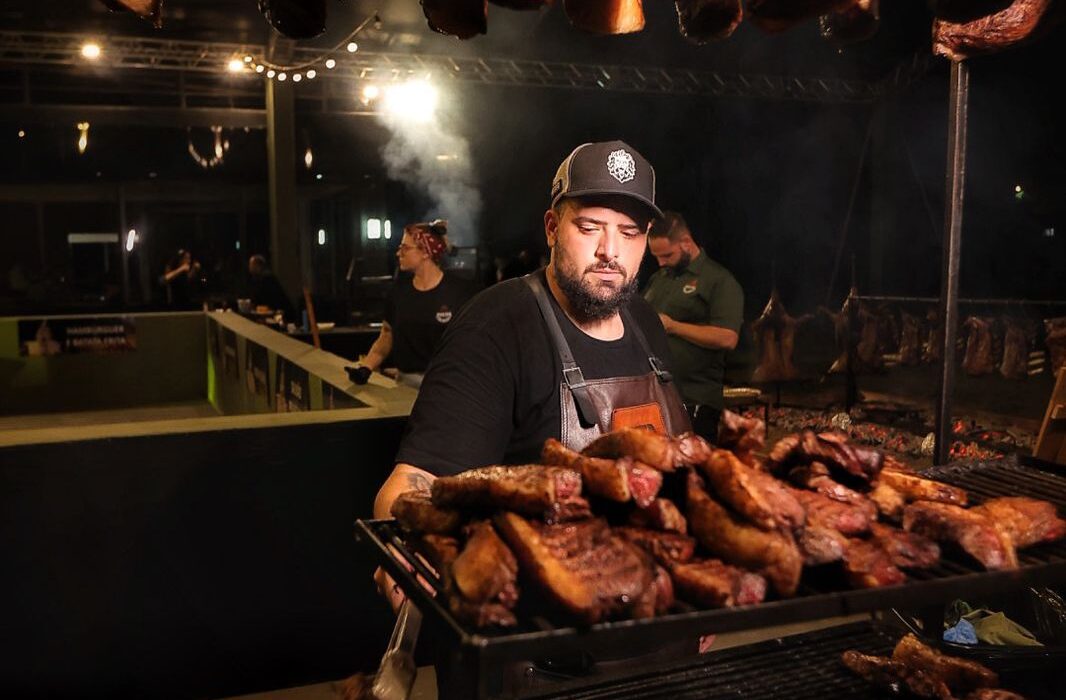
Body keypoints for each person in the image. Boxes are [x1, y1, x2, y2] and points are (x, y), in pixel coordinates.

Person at [373, 141, 690, 607]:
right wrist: (405, 555)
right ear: (552, 228)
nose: (611, 251)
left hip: (653, 615)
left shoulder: (644, 322)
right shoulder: (497, 325)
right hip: (544, 630)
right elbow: (418, 478)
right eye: (589, 227)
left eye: (629, 233)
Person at [643, 211, 743, 441]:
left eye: (667, 255)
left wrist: (673, 326)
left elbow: (728, 338)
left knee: (692, 463)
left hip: (695, 398)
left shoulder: (718, 281)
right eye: (656, 257)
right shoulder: (659, 279)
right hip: (654, 397)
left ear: (686, 242)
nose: (661, 263)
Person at [353, 220, 477, 388]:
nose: (398, 253)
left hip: (448, 384)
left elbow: (472, 343)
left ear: (425, 252)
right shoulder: (398, 292)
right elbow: (386, 336)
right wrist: (366, 367)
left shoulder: (459, 293)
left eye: (405, 248)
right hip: (406, 384)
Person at [247, 254, 294, 320]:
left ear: (258, 266)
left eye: (251, 265)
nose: (249, 267)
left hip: (279, 314)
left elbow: (266, 299)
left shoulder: (267, 279)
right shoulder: (258, 279)